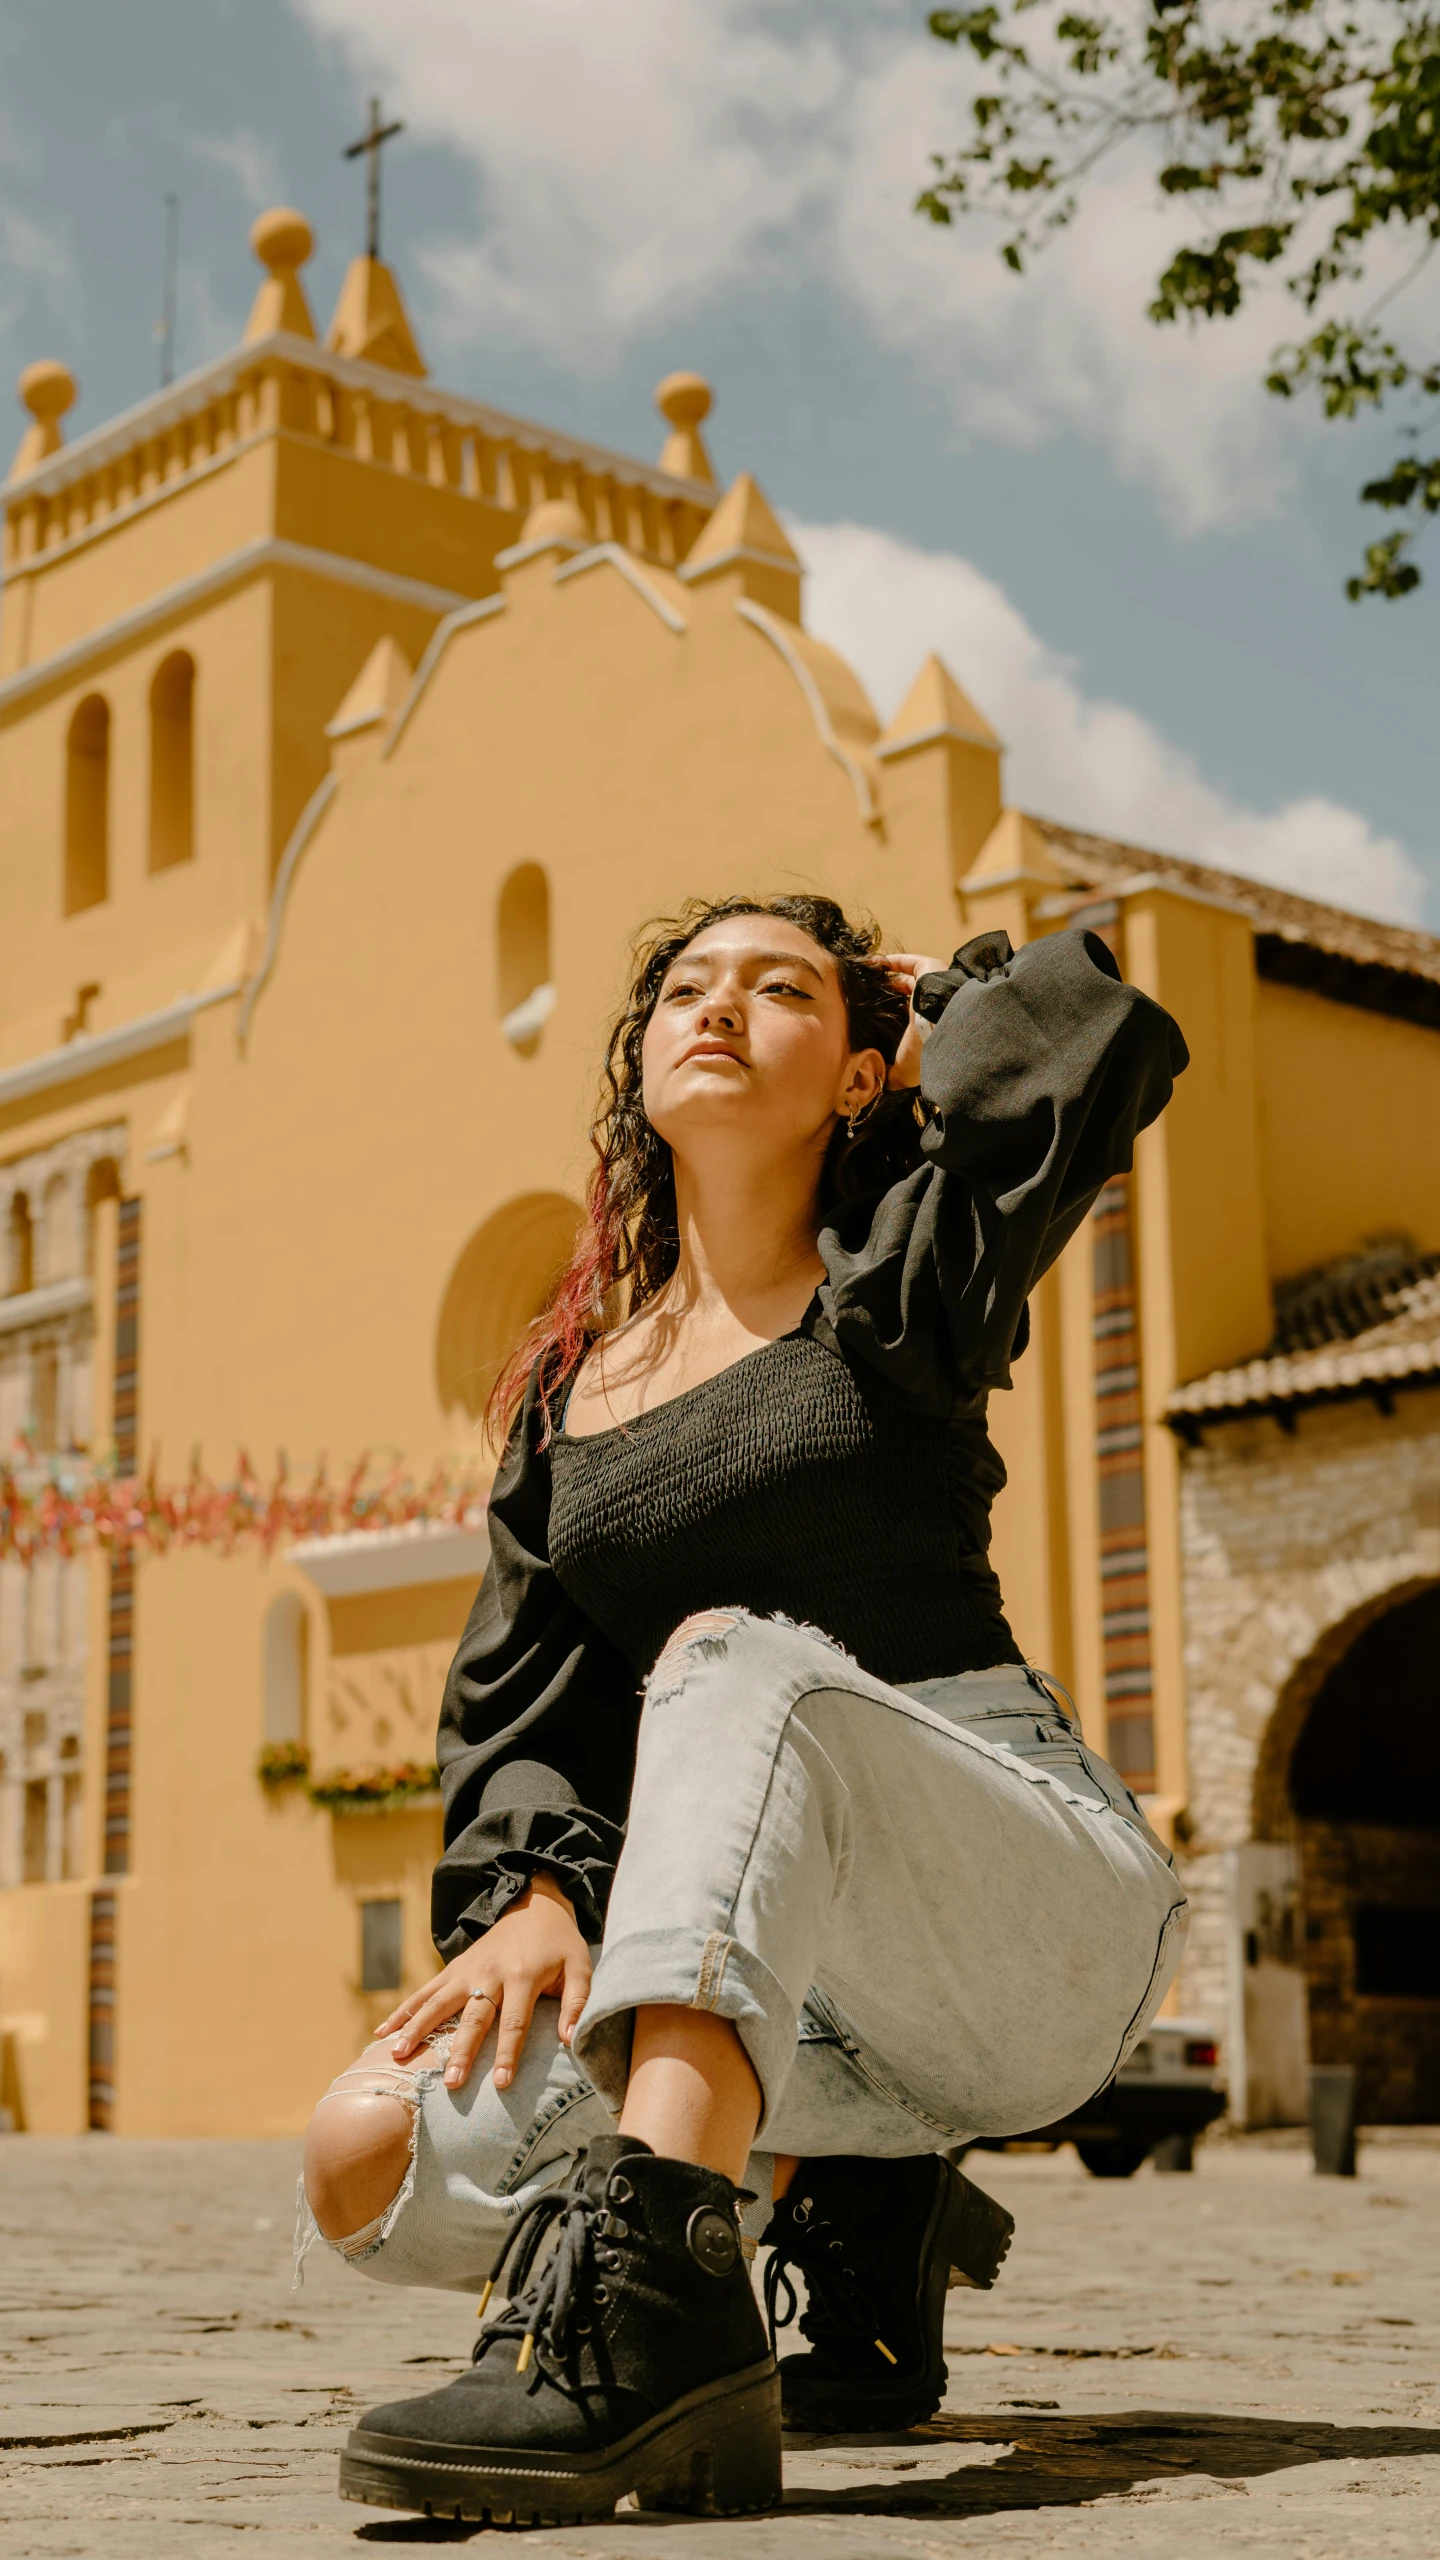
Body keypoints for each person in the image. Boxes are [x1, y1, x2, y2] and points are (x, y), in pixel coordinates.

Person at [302, 894, 1191, 2527]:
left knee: (729, 1652)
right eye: (686, 991)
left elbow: (1089, 1049)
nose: (719, 1009)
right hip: (786, 1978)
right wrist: (533, 1893)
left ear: (863, 1072)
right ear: (639, 1068)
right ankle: (837, 2189)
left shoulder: (910, 1276)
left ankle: (655, 2314)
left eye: (779, 992)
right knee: (366, 2155)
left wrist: (938, 994)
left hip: (1023, 1906)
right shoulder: (572, 1392)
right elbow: (524, 1698)